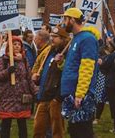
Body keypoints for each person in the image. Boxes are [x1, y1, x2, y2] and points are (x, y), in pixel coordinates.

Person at [60, 8, 100, 138]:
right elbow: (72, 66)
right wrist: (61, 62)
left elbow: (87, 68)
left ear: (72, 20)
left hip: (80, 94)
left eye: (65, 19)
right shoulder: (76, 39)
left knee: (83, 131)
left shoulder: (87, 39)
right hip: (72, 91)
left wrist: (80, 94)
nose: (63, 23)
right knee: (74, 131)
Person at [0, 35, 38, 138]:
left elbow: (28, 77)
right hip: (7, 96)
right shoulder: (3, 60)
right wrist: (7, 71)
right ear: (9, 46)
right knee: (6, 124)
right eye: (14, 44)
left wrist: (35, 91)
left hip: (22, 96)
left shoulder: (24, 60)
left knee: (22, 125)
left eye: (19, 44)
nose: (17, 46)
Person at [33, 25, 71, 138]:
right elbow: (45, 73)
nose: (52, 39)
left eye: (55, 36)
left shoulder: (67, 54)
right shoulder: (49, 52)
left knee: (57, 130)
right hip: (44, 96)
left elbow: (68, 74)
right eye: (51, 36)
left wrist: (58, 98)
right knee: (38, 129)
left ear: (63, 39)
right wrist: (37, 79)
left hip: (56, 98)